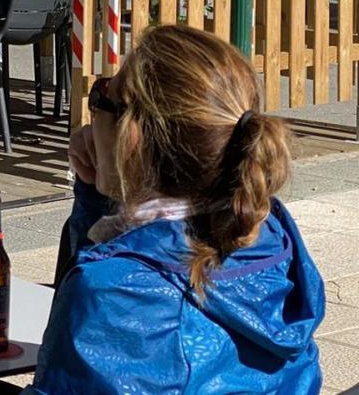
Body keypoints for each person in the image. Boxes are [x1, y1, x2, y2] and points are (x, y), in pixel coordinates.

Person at [26, 25, 324, 393]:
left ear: (131, 137)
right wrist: (98, 195)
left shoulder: (118, 290)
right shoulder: (266, 227)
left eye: (100, 97)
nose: (92, 118)